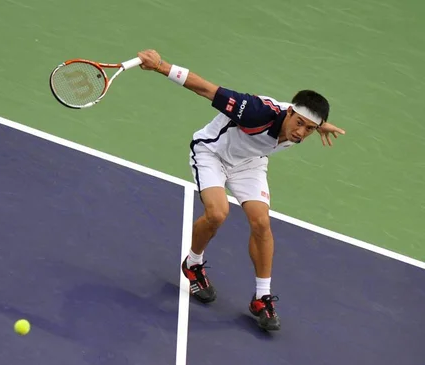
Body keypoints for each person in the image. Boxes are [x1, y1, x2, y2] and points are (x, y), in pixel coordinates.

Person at [136, 49, 346, 331]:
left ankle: (261, 299)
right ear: (290, 112)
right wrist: (160, 66)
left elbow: (307, 122)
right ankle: (193, 264)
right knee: (218, 213)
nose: (300, 133)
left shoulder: (302, 125)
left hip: (249, 163)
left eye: (309, 129)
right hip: (212, 154)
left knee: (261, 223)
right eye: (299, 124)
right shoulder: (255, 110)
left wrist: (319, 125)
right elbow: (206, 89)